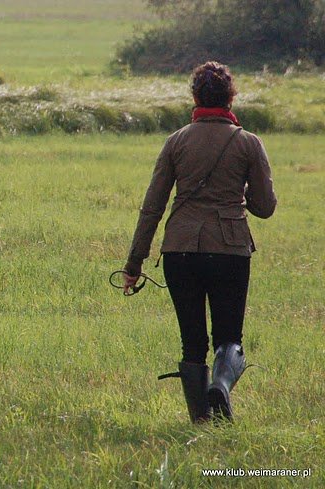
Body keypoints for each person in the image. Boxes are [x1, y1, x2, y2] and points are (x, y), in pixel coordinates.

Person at [122, 61, 277, 423]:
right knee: (229, 338)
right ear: (231, 97)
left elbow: (152, 207)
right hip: (229, 250)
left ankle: (201, 422)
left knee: (192, 341)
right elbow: (265, 207)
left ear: (195, 96)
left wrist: (133, 265)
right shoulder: (249, 143)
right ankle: (221, 386)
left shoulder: (175, 141)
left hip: (180, 250)